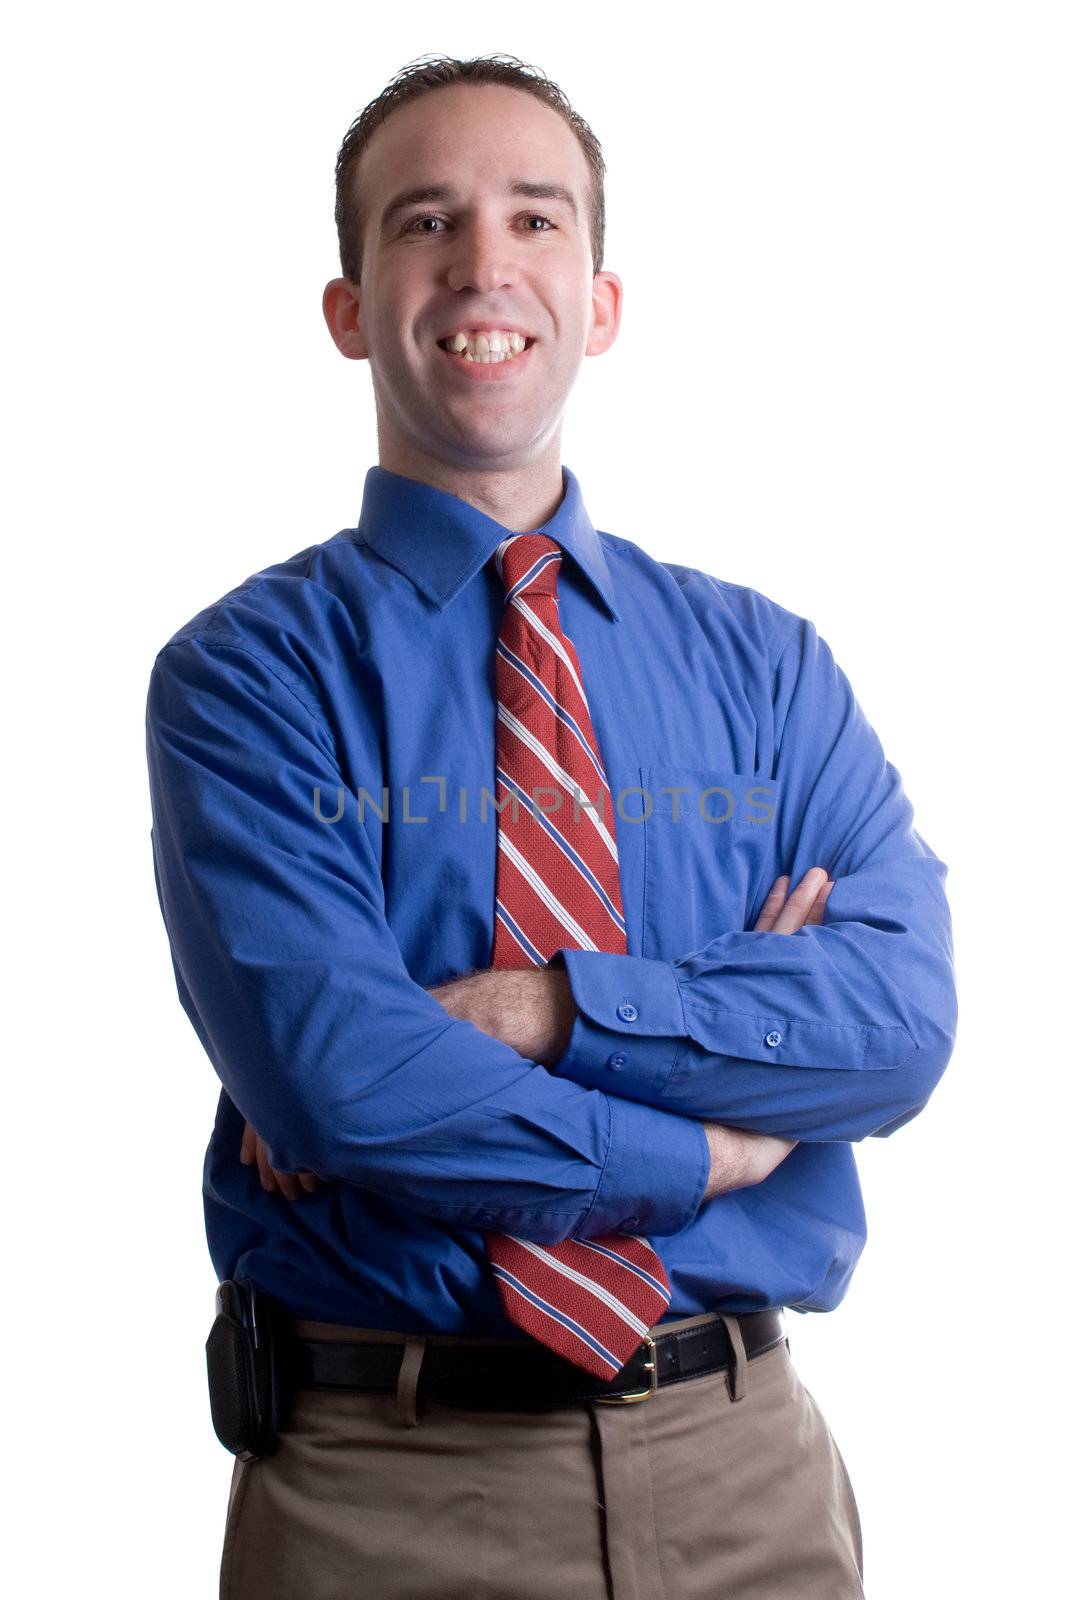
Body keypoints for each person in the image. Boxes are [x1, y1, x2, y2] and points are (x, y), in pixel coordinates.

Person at [144, 52, 957, 1600]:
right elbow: (351, 1086)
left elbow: (898, 1023)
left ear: (600, 301)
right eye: (422, 223)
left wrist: (547, 1011)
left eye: (535, 219)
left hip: (749, 1480)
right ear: (347, 306)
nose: (482, 266)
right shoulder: (245, 679)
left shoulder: (765, 667)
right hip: (389, 1491)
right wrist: (719, 1143)